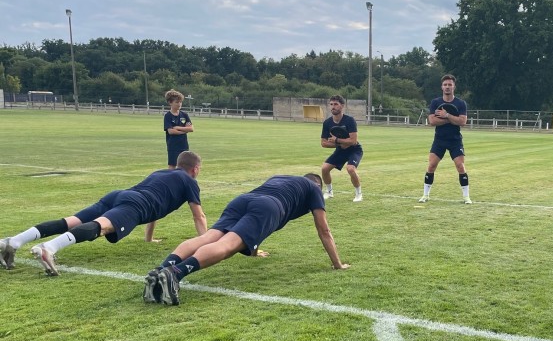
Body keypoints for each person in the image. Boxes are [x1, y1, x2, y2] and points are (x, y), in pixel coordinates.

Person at [144, 173, 349, 306]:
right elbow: (324, 230)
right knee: (227, 246)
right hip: (269, 206)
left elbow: (257, 224)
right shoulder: (313, 188)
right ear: (318, 185)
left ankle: (161, 269)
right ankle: (175, 273)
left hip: (243, 199)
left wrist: (253, 249)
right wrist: (337, 264)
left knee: (209, 237)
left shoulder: (280, 178)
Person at [0, 151, 206, 276]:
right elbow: (199, 216)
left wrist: (149, 238)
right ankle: (49, 248)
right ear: (195, 169)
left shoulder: (162, 172)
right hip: (135, 204)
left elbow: (156, 210)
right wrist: (205, 243)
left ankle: (14, 241)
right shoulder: (189, 182)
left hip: (118, 195)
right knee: (101, 227)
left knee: (70, 221)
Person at [145, 89, 196, 242]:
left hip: (184, 147)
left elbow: (191, 129)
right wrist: (182, 129)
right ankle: (171, 188)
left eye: (180, 102)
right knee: (172, 170)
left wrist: (179, 129)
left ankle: (183, 188)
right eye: (176, 102)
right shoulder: (168, 116)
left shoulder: (184, 115)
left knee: (186, 171)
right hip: (173, 147)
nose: (179, 104)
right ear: (170, 103)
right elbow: (170, 132)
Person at [418, 74, 472, 204]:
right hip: (439, 140)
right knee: (431, 166)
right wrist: (452, 119)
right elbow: (432, 121)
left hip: (455, 140)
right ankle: (425, 195)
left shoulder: (460, 103)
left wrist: (446, 115)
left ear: (454, 87)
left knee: (460, 166)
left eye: (450, 84)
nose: (447, 87)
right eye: (445, 85)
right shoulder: (435, 102)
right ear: (442, 87)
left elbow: (462, 121)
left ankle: (466, 197)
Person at [320, 95, 364, 202]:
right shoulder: (327, 123)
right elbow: (323, 143)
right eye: (331, 104)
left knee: (350, 169)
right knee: (324, 168)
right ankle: (329, 192)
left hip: (354, 149)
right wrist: (339, 144)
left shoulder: (349, 120)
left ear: (342, 106)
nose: (333, 107)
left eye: (336, 104)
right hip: (341, 150)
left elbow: (353, 141)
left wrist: (336, 140)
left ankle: (359, 194)